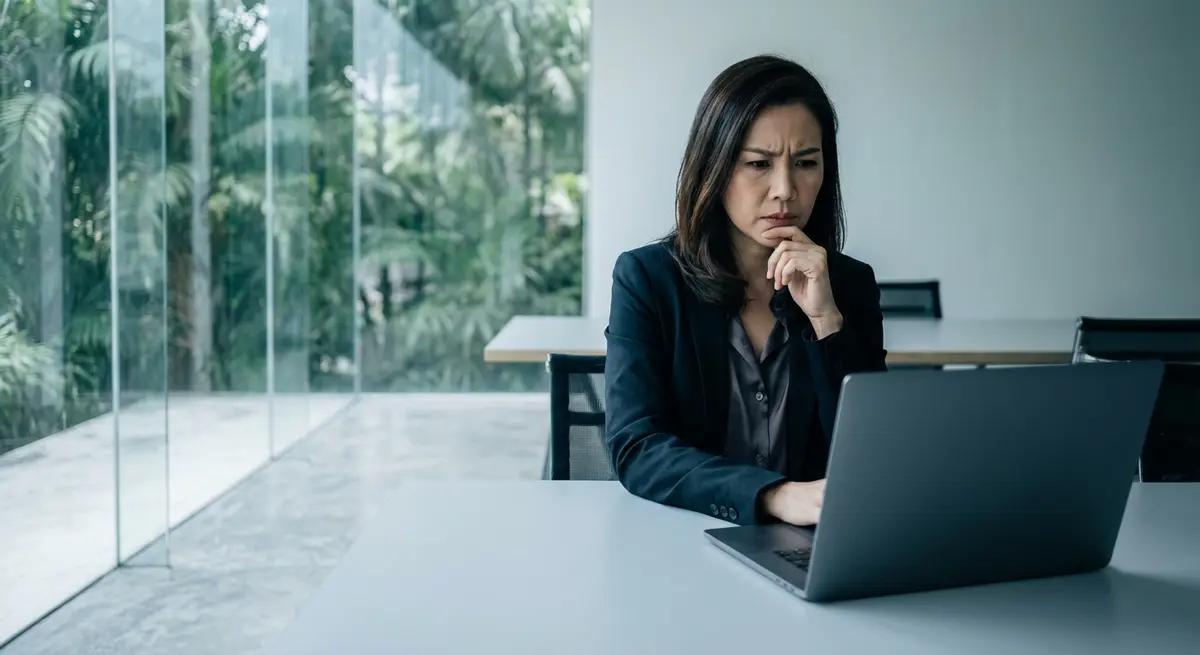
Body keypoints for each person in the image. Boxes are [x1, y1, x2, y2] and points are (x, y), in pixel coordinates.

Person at [603, 54, 887, 528]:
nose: (785, 189)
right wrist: (772, 495)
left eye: (806, 163)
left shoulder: (849, 285)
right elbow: (636, 446)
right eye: (759, 163)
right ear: (713, 168)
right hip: (681, 540)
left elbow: (873, 454)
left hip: (812, 549)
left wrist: (826, 323)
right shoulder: (647, 279)